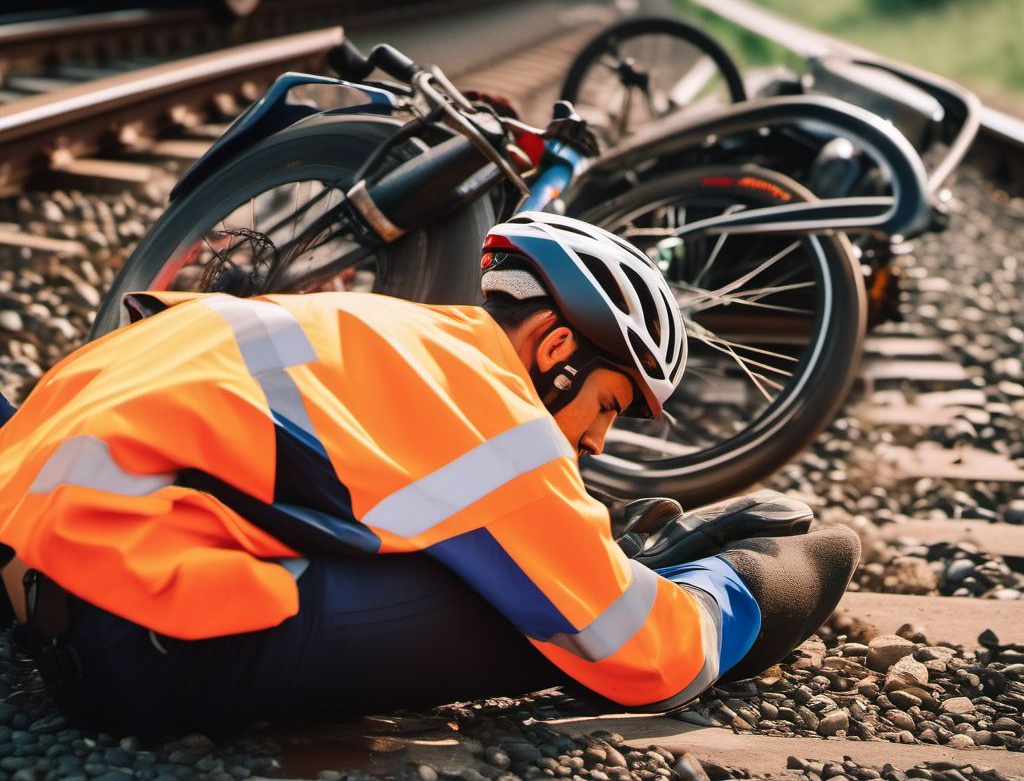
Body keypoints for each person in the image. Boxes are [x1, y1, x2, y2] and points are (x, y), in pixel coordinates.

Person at [0, 212, 859, 734]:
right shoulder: (495, 420)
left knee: (499, 565)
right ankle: (597, 566)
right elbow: (645, 655)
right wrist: (749, 587)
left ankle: (585, 559)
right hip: (135, 651)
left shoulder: (367, 329)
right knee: (534, 617)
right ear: (556, 351)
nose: (596, 444)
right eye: (604, 406)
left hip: (37, 558)